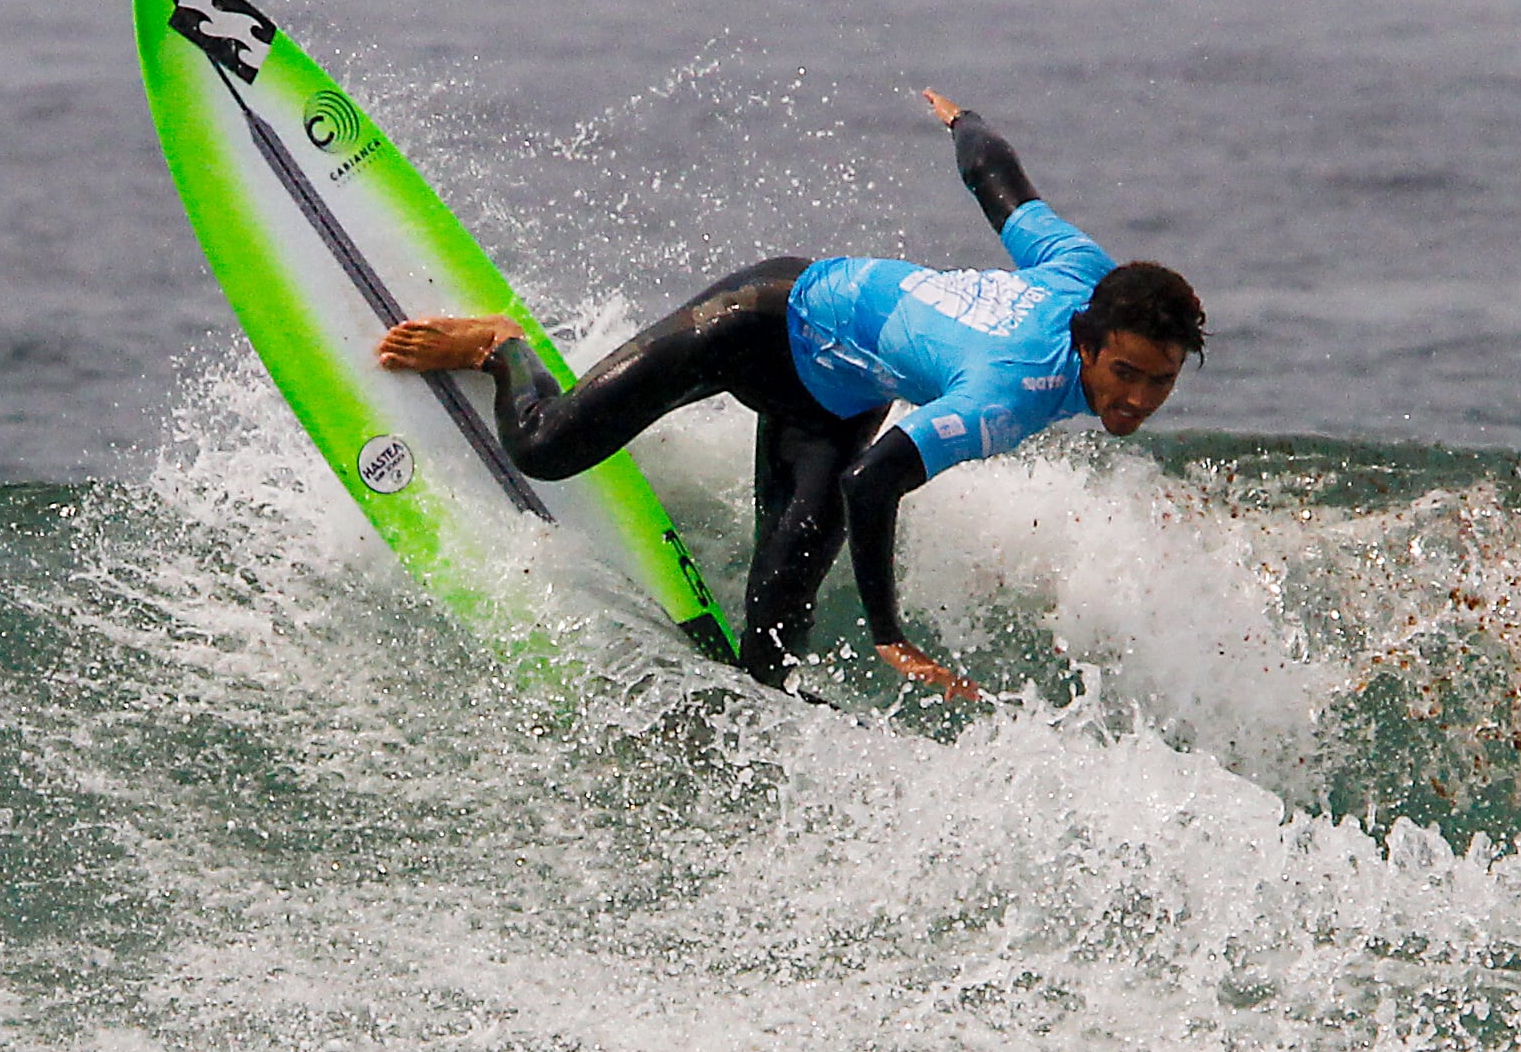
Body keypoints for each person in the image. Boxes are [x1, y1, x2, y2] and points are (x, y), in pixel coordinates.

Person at [374, 92, 1204, 699]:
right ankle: (500, 344)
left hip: (837, 399)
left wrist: (965, 122)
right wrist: (889, 636)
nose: (1136, 399)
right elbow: (875, 480)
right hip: (764, 322)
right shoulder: (1013, 391)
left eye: (1159, 382)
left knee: (772, 651)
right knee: (545, 447)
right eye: (1123, 375)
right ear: (1088, 343)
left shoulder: (1088, 273)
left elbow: (999, 183)